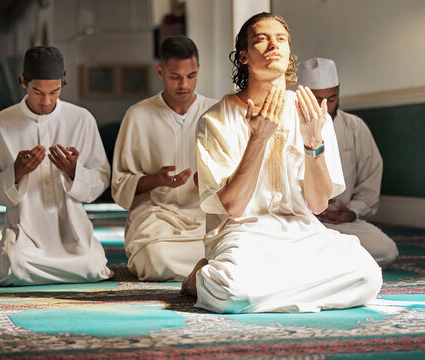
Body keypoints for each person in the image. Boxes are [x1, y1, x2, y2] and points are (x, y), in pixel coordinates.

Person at [181, 12, 382, 313]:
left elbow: (316, 205)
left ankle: (273, 287)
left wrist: (313, 143)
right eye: (261, 39)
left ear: (289, 55)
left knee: (367, 276)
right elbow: (233, 207)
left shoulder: (313, 115)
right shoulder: (216, 120)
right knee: (234, 291)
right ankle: (200, 278)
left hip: (302, 230)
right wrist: (258, 139)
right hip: (243, 233)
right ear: (244, 56)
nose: (273, 44)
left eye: (281, 39)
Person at [0, 46, 113, 286]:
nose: (46, 101)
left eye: (55, 91)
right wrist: (16, 172)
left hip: (72, 228)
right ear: (23, 82)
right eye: (38, 92)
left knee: (92, 266)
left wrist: (73, 171)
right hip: (25, 229)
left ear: (63, 82)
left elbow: (101, 178)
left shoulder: (81, 119)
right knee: (15, 267)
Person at [111, 36, 216, 281]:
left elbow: (232, 175)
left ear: (198, 69)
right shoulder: (137, 116)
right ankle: (207, 274)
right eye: (175, 77)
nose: (184, 84)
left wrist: (209, 182)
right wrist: (155, 180)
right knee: (156, 257)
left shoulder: (214, 112)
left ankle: (205, 271)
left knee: (230, 249)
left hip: (203, 215)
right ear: (160, 71)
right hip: (156, 215)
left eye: (191, 76)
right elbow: (120, 185)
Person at [297, 58, 399, 269]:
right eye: (317, 99)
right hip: (299, 221)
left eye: (332, 98)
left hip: (340, 223)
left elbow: (370, 180)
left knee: (386, 251)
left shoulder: (354, 126)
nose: (324, 106)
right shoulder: (288, 125)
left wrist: (352, 211)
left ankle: (314, 265)